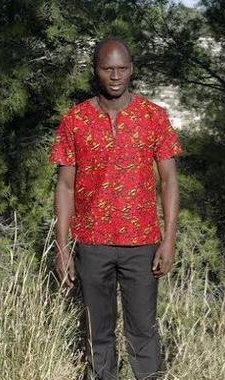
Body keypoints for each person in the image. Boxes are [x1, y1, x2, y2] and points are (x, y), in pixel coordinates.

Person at [50, 37, 182, 379]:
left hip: (142, 243)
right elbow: (64, 186)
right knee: (98, 334)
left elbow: (169, 181)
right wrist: (63, 247)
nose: (115, 76)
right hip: (92, 243)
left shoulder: (154, 116)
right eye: (107, 68)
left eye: (122, 68)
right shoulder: (76, 119)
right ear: (96, 70)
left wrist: (169, 239)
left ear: (132, 69)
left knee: (143, 332)